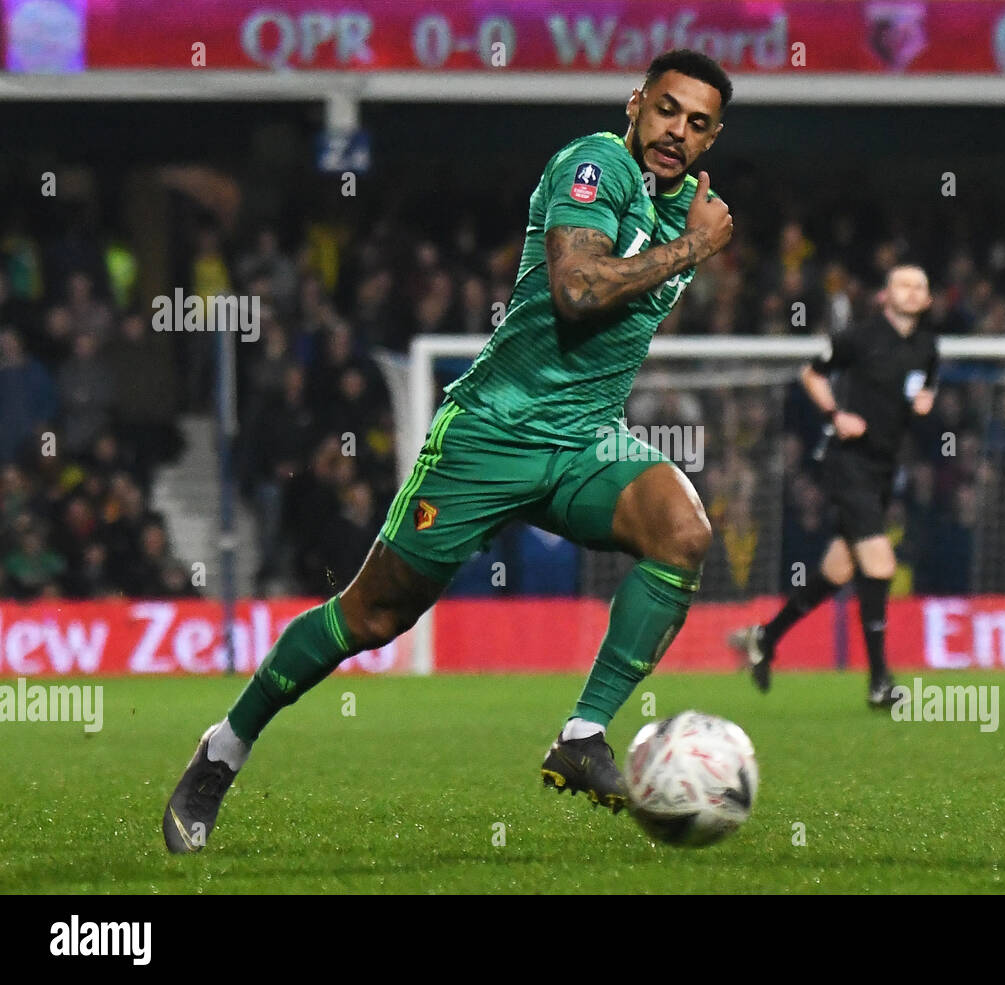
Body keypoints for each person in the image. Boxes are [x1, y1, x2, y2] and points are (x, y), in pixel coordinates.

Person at [163, 49, 735, 853]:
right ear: (636, 102)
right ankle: (221, 750)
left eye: (698, 123)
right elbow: (575, 293)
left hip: (584, 438)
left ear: (713, 139)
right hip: (492, 432)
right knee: (372, 615)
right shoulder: (593, 164)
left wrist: (692, 240)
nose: (677, 131)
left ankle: (581, 737)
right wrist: (692, 252)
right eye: (668, 110)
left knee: (684, 531)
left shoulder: (691, 210)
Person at [730, 265, 938, 707]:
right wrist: (834, 416)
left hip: (882, 470)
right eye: (904, 283)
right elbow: (811, 373)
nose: (912, 291)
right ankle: (880, 683)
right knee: (879, 564)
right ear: (885, 295)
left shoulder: (926, 345)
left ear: (928, 300)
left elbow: (926, 388)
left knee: (838, 570)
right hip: (848, 463)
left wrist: (926, 402)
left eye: (920, 286)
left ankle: (765, 638)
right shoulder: (861, 337)